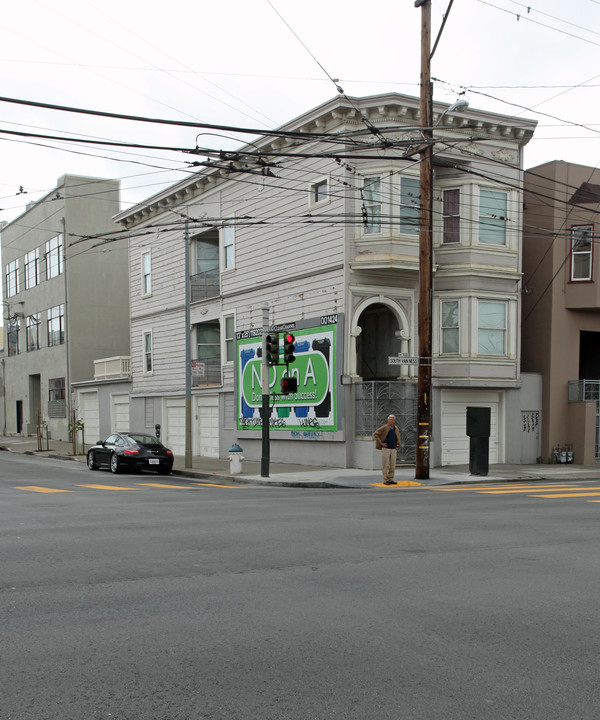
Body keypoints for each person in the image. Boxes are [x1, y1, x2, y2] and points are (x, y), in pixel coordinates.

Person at [373, 415, 402, 485]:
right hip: (386, 449)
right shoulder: (384, 427)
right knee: (385, 465)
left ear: (394, 421)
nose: (391, 421)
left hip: (393, 449)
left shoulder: (396, 428)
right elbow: (375, 434)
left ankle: (391, 479)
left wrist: (398, 444)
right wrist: (380, 443)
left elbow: (398, 436)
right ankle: (385, 479)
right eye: (390, 420)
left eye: (392, 420)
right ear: (388, 420)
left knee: (392, 465)